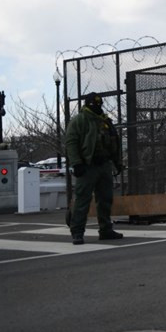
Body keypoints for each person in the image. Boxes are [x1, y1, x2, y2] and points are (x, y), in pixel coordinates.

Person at [64, 92, 124, 244]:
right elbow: (71, 142)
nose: (97, 106)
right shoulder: (80, 120)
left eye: (98, 103)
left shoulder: (105, 121)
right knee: (82, 200)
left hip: (104, 165)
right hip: (87, 166)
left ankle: (106, 229)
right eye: (94, 103)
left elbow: (114, 142)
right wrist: (77, 163)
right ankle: (77, 232)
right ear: (87, 104)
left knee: (105, 199)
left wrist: (117, 163)